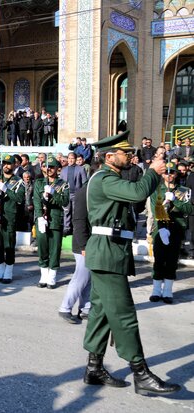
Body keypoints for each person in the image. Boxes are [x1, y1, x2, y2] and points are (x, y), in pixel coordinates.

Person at [82, 131, 181, 396]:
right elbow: (138, 192)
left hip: (111, 252)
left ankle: (94, 367)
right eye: (126, 153)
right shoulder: (104, 179)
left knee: (101, 313)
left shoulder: (112, 179)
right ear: (110, 156)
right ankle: (141, 373)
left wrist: (156, 163)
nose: (131, 156)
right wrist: (153, 170)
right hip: (107, 253)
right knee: (124, 315)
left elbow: (133, 198)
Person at [148, 162, 192, 304]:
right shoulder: (157, 190)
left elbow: (190, 210)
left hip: (176, 228)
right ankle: (156, 290)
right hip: (160, 229)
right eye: (167, 172)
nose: (170, 175)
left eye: (172, 172)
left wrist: (175, 201)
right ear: (162, 174)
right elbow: (156, 209)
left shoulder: (183, 191)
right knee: (159, 260)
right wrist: (161, 228)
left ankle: (167, 291)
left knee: (172, 261)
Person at [58, 167, 94, 324]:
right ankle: (65, 308)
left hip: (89, 243)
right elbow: (78, 222)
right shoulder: (83, 193)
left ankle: (85, 308)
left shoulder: (92, 193)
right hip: (82, 243)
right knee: (81, 277)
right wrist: (84, 246)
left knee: (88, 278)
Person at [34, 155, 70, 289]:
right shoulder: (39, 183)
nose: (49, 170)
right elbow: (36, 201)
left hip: (55, 219)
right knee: (42, 248)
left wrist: (53, 192)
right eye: (46, 167)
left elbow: (65, 201)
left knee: (55, 249)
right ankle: (43, 275)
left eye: (52, 167)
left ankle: (52, 276)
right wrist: (39, 217)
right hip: (42, 221)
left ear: (58, 169)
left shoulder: (63, 184)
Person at [0, 155, 24, 283]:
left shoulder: (18, 181)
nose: (6, 166)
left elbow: (20, 199)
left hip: (9, 217)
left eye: (9, 163)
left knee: (9, 245)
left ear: (14, 165)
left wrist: (7, 190)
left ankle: (8, 272)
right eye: (4, 163)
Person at [60, 152, 87, 236]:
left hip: (76, 194)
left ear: (75, 159)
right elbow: (60, 183)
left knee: (76, 212)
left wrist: (82, 194)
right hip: (66, 194)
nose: (70, 160)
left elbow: (85, 182)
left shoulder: (81, 169)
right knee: (66, 212)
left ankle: (76, 228)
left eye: (72, 158)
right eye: (69, 158)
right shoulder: (63, 170)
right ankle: (66, 228)